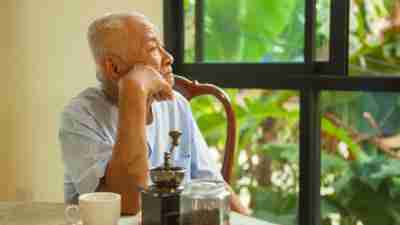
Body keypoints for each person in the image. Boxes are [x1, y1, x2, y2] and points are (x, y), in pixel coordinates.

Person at [59, 12, 249, 215]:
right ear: (114, 68)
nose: (169, 58)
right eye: (152, 48)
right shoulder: (80, 117)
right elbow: (128, 204)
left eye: (162, 47)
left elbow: (213, 186)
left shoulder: (177, 105)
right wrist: (133, 91)